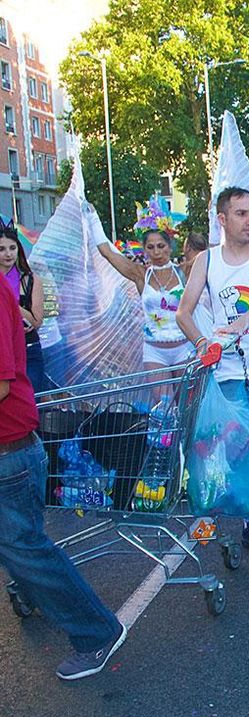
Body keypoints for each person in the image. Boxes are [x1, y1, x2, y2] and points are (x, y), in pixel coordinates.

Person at [0, 279, 127, 680]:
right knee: (24, 548)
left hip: (10, 451)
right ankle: (41, 593)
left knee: (26, 548)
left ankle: (96, 633)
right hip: (12, 448)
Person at [176, 187, 249, 557]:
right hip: (227, 372)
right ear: (221, 219)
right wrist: (202, 345)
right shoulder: (207, 261)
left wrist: (245, 319)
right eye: (241, 214)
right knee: (237, 450)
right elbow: (184, 312)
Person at [89, 218, 191, 372]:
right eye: (150, 247)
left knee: (188, 397)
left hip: (184, 348)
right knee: (163, 397)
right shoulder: (140, 274)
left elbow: (212, 255)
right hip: (155, 351)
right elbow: (108, 253)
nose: (156, 252)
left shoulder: (184, 271)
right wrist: (93, 219)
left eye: (161, 246)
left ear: (170, 247)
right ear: (145, 250)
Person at [0, 219, 46, 391]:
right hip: (3, 352)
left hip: (29, 352)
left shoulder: (30, 280)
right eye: (2, 249)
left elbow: (36, 321)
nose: (8, 254)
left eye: (12, 248)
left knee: (32, 403)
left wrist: (10, 304)